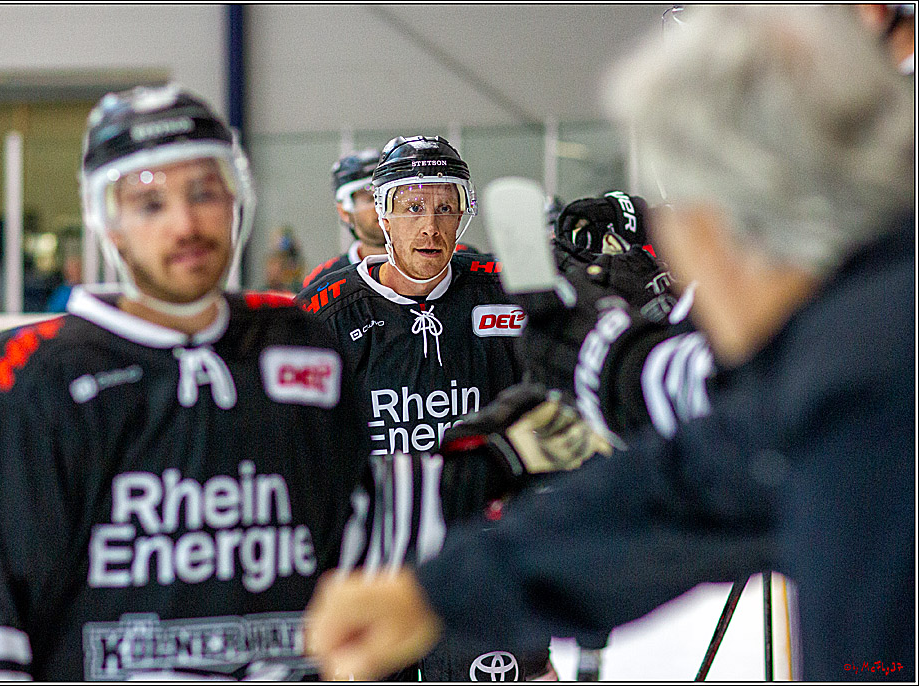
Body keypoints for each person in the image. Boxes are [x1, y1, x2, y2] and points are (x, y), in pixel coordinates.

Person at [304, 5, 915, 682]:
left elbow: (703, 473)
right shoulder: (854, 351)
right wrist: (435, 595)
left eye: (673, 210)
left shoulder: (857, 384)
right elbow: (688, 481)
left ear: (723, 220)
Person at [0, 84, 374, 681]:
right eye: (151, 203)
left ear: (237, 199)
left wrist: (505, 452)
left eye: (205, 192)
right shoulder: (42, 375)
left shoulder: (299, 346)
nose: (186, 223)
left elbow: (374, 538)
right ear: (112, 223)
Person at [297, 135, 552, 680]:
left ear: (464, 213)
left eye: (444, 207)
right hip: (372, 568)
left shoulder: (501, 292)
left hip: (481, 561)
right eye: (412, 207)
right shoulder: (328, 310)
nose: (430, 227)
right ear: (382, 215)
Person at [302, 148, 479, 290]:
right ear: (344, 210)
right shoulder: (325, 282)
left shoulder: (465, 258)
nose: (381, 208)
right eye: (371, 199)